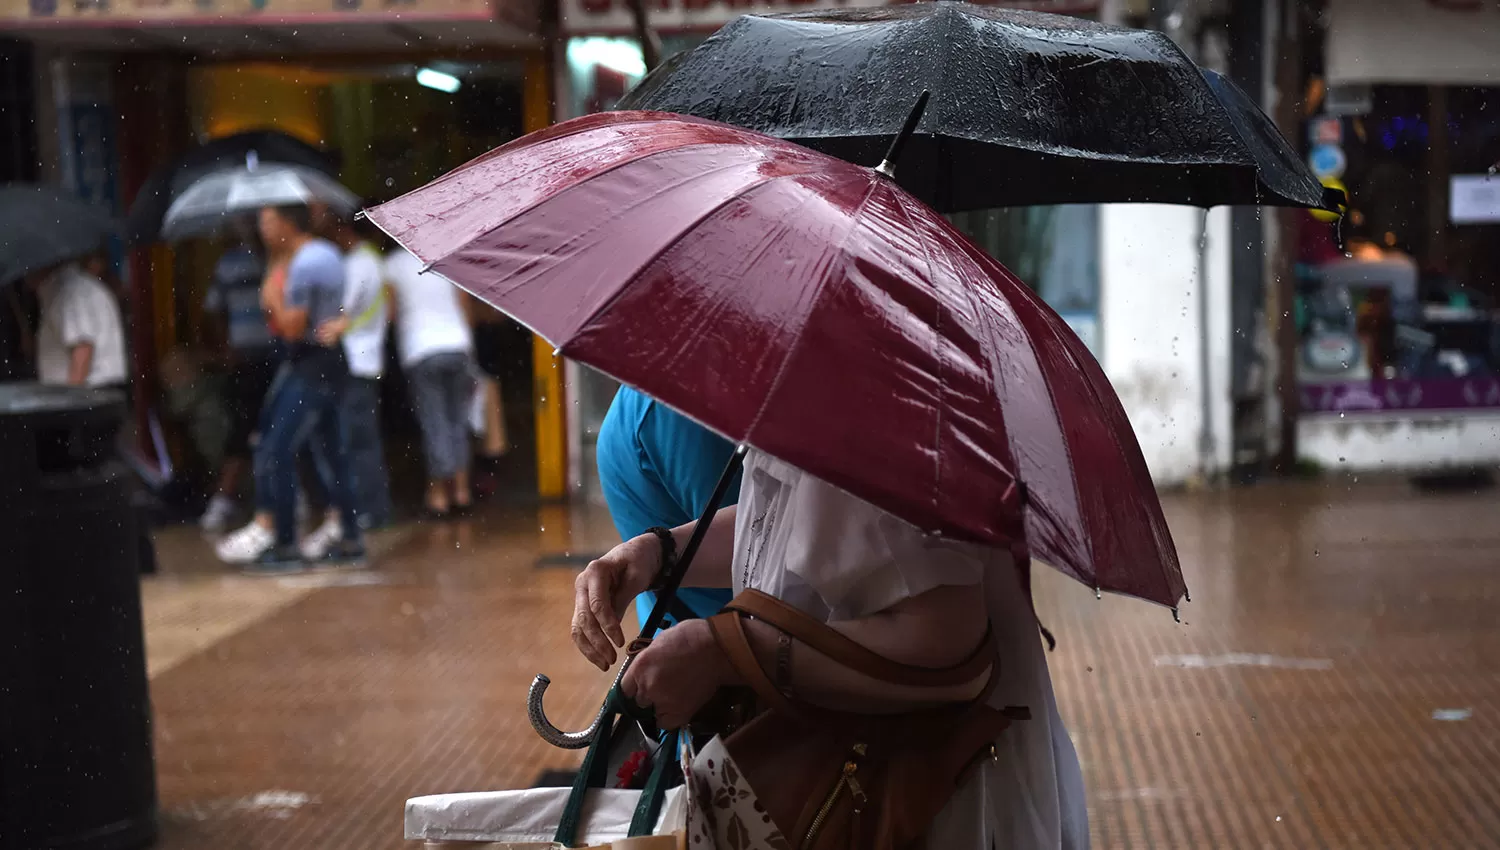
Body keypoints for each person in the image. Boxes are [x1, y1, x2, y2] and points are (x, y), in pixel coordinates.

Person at [571, 448, 1090, 850]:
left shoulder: (863, 402)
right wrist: (657, 553)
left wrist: (724, 650)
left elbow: (949, 649)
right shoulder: (806, 382)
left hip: (918, 803)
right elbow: (784, 522)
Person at [215, 205, 364, 570]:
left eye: (267, 221)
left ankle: (285, 543)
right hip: (320, 364)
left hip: (312, 365)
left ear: (286, 222)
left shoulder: (307, 262)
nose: (262, 228)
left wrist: (271, 299)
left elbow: (293, 327)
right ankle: (348, 536)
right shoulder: (312, 255)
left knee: (275, 447)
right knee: (330, 451)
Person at [595, 384, 741, 626]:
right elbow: (759, 545)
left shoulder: (640, 398)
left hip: (675, 631)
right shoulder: (682, 409)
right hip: (719, 640)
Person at [314, 209, 393, 531]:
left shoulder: (360, 263)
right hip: (366, 358)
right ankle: (371, 508)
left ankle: (368, 510)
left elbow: (341, 307)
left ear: (344, 229)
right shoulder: (373, 261)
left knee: (357, 441)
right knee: (363, 440)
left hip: (357, 361)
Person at [385, 247, 476, 518]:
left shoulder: (391, 264)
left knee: (434, 422)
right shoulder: (444, 255)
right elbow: (464, 304)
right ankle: (461, 491)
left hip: (421, 349)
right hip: (458, 344)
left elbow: (390, 312)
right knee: (457, 420)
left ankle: (438, 495)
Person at [198, 223, 277, 531]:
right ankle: (226, 500)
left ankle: (284, 502)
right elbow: (214, 309)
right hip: (245, 357)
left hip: (279, 355)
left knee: (281, 427)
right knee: (243, 428)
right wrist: (226, 346)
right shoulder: (230, 262)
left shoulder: (282, 258)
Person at [26, 260, 126, 389]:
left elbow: (83, 348)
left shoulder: (69, 290)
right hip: (91, 393)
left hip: (91, 393)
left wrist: (71, 401)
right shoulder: (68, 288)